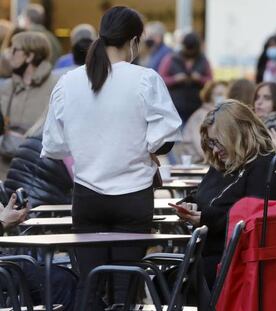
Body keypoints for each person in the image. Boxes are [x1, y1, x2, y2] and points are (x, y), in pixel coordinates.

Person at [41, 6, 182, 308]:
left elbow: (53, 146)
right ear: (133, 40)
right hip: (133, 195)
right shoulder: (145, 79)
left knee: (90, 285)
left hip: (87, 195)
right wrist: (144, 149)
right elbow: (166, 136)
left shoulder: (69, 82)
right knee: (124, 290)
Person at [175, 100, 276, 288]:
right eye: (211, 143)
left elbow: (250, 223)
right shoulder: (229, 164)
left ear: (236, 135)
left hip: (239, 266)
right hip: (224, 261)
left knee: (164, 282)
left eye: (217, 142)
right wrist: (190, 205)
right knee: (164, 280)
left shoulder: (266, 169)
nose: (214, 149)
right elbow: (205, 197)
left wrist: (204, 219)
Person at [0, 31, 58, 158]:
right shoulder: (7, 86)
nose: (9, 54)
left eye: (14, 49)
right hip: (4, 164)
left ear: (29, 56)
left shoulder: (56, 86)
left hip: (35, 164)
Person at [159, 32, 212, 123]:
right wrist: (175, 79)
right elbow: (160, 79)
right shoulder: (171, 58)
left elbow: (210, 81)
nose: (190, 52)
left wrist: (199, 79)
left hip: (197, 106)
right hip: (175, 107)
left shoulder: (203, 61)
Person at [182, 80, 228, 163]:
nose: (223, 97)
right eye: (219, 94)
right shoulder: (202, 115)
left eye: (225, 94)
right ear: (210, 96)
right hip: (198, 163)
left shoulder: (221, 114)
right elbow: (201, 148)